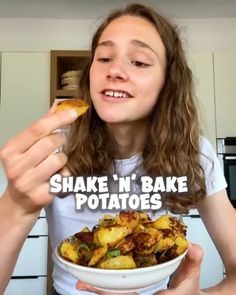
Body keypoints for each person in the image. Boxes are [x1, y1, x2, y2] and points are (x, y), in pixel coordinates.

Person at [0, 2, 236, 295]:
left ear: (168, 82)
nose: (114, 70)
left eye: (138, 61)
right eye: (104, 57)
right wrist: (15, 204)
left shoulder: (195, 152)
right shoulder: (54, 147)